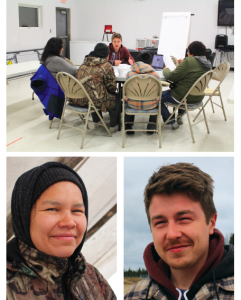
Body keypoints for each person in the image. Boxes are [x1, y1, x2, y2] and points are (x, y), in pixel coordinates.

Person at [7, 162, 116, 300]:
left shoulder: (93, 279)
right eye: (52, 209)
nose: (69, 222)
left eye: (77, 211)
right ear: (23, 215)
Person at [124, 162, 234, 300]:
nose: (172, 234)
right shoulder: (134, 296)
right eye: (160, 222)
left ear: (211, 222)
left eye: (184, 219)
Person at [161, 41, 212, 129]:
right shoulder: (208, 64)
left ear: (191, 53)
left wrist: (166, 69)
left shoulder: (189, 61)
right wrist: (182, 66)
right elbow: (191, 76)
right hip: (198, 97)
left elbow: (171, 76)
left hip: (182, 97)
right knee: (185, 87)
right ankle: (180, 114)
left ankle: (171, 121)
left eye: (188, 52)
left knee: (156, 97)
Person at [72, 43, 118, 133]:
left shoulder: (83, 64)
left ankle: (97, 121)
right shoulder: (106, 66)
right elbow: (112, 88)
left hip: (78, 99)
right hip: (95, 101)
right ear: (106, 55)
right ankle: (113, 125)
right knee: (116, 96)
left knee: (91, 92)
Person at [124, 52, 162, 134]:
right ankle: (151, 126)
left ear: (137, 61)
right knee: (158, 100)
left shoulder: (129, 75)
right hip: (151, 104)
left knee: (127, 99)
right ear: (150, 63)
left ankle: (128, 125)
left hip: (132, 104)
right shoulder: (155, 75)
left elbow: (126, 93)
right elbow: (158, 94)